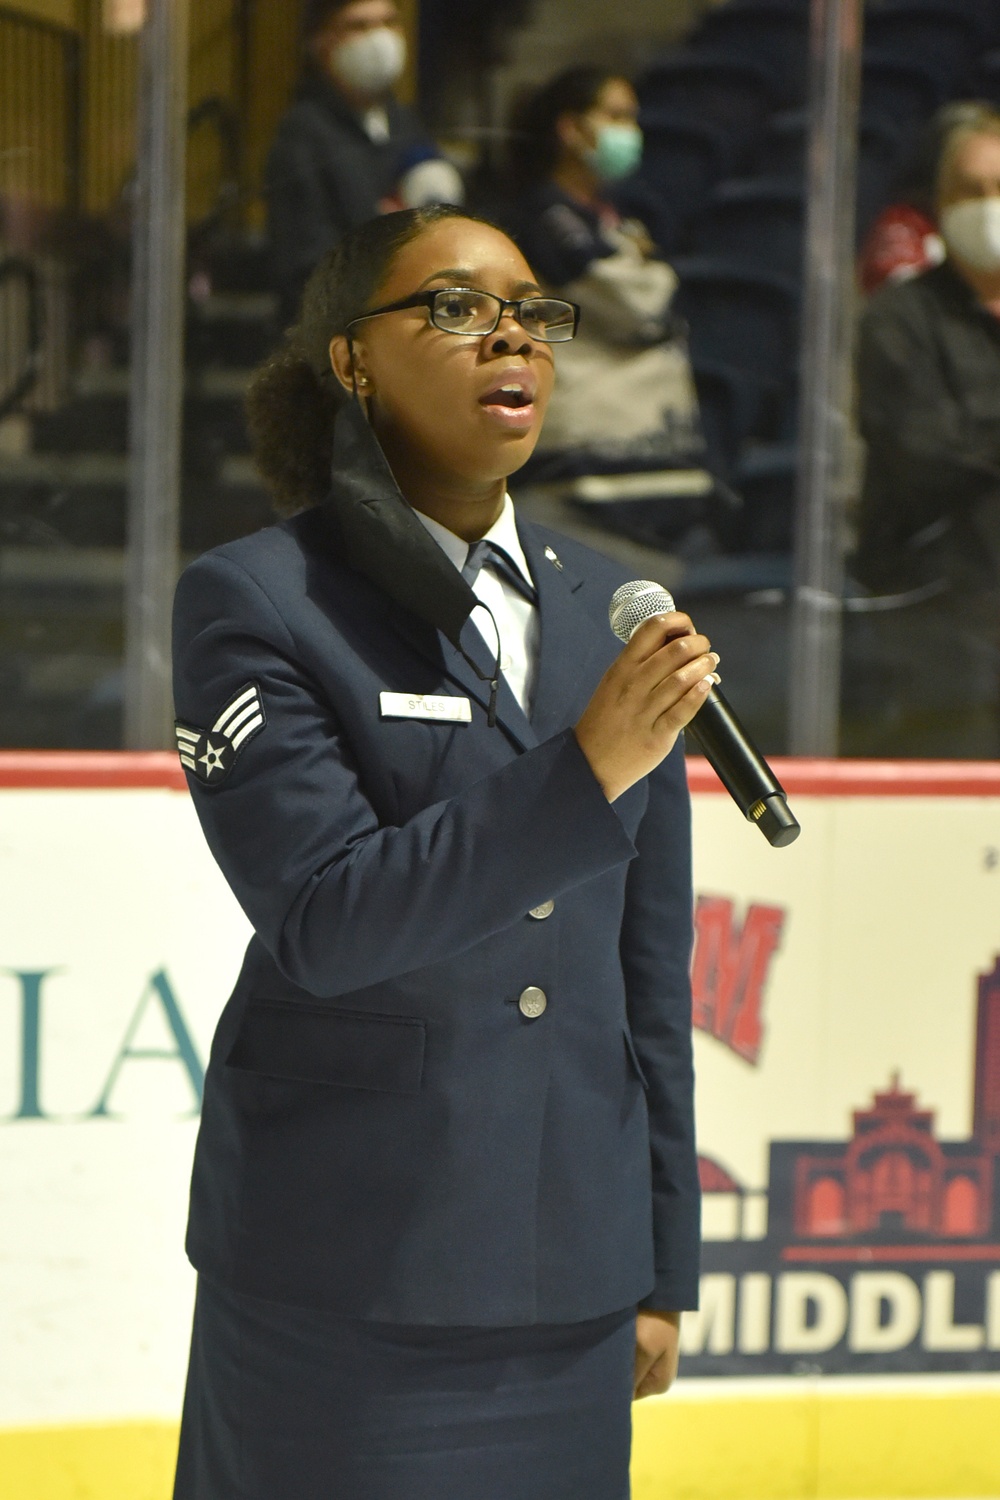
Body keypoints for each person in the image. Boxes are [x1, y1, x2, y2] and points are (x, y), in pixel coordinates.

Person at [170, 204, 709, 1499]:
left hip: (574, 1289)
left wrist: (660, 1262)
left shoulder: (614, 611)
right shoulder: (257, 601)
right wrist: (583, 771)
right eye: (456, 307)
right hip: (341, 1281)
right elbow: (327, 918)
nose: (508, 334)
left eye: (530, 309)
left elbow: (650, 975)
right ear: (352, 361)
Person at [502, 68, 712, 546]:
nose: (629, 132)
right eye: (616, 116)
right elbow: (637, 303)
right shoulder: (543, 215)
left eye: (633, 119)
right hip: (582, 456)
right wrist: (655, 273)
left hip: (650, 448)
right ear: (571, 129)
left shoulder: (618, 219)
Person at [852, 106, 1000, 754]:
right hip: (939, 617)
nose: (989, 205)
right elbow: (925, 453)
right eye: (973, 189)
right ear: (940, 203)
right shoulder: (898, 318)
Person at [266, 0, 463, 323]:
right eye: (359, 26)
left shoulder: (404, 122)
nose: (380, 38)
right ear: (322, 43)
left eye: (389, 23)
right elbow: (304, 262)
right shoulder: (302, 133)